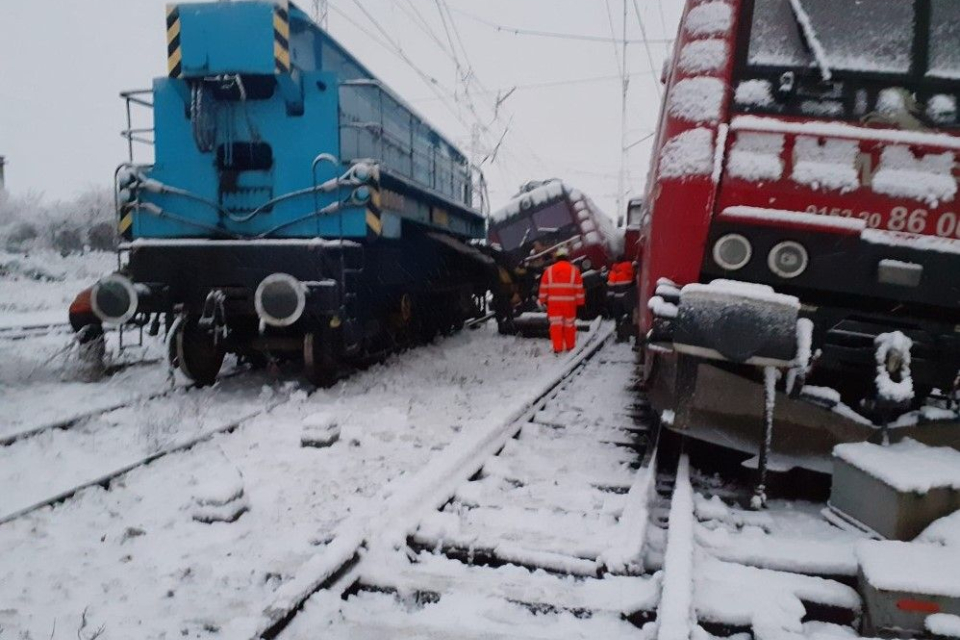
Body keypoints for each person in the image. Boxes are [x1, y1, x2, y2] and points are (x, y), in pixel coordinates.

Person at [538, 246, 585, 353]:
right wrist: (581, 304)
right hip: (569, 304)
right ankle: (570, 347)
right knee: (569, 326)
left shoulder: (549, 271)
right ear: (567, 257)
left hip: (554, 305)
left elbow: (543, 288)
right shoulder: (575, 270)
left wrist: (543, 300)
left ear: (557, 258)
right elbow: (579, 289)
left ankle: (558, 348)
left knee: (555, 327)